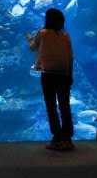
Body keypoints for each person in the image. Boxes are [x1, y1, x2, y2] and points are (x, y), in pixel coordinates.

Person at [27, 8, 75, 151]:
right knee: (65, 105)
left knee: (51, 105)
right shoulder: (66, 36)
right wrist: (70, 74)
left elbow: (33, 48)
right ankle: (68, 138)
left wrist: (29, 39)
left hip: (48, 74)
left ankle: (57, 138)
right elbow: (70, 57)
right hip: (64, 73)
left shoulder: (41, 33)